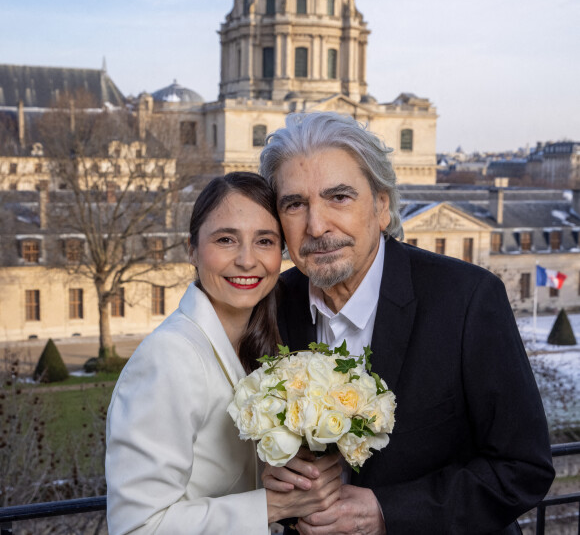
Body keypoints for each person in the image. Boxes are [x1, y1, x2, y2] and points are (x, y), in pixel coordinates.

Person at [259, 112, 555, 535]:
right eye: (295, 204)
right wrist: (270, 474)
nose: (317, 225)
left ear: (381, 206)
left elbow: (522, 469)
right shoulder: (272, 305)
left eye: (339, 197)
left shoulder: (467, 298)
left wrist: (386, 512)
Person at [105, 172, 342, 534]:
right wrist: (272, 505)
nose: (247, 260)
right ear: (192, 249)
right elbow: (137, 527)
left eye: (264, 241)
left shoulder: (261, 347)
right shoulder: (169, 357)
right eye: (226, 239)